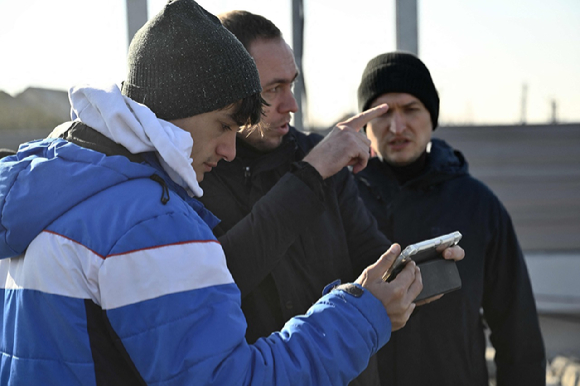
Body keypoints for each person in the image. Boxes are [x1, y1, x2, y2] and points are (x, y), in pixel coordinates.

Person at [0, 2, 428, 384]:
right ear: (179, 106)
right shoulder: (149, 217)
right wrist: (360, 315)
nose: (228, 148)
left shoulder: (58, 185)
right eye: (225, 125)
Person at [199, 11, 464, 386]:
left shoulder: (320, 157)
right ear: (226, 88)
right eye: (273, 89)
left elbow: (366, 255)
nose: (291, 103)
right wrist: (312, 171)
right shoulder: (198, 173)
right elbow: (222, 279)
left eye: (291, 84)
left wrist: (414, 274)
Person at [354, 51, 546, 386]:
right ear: (365, 123)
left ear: (432, 115)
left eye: (411, 109)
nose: (397, 126)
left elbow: (518, 333)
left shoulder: (478, 204)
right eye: (383, 112)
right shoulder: (342, 201)